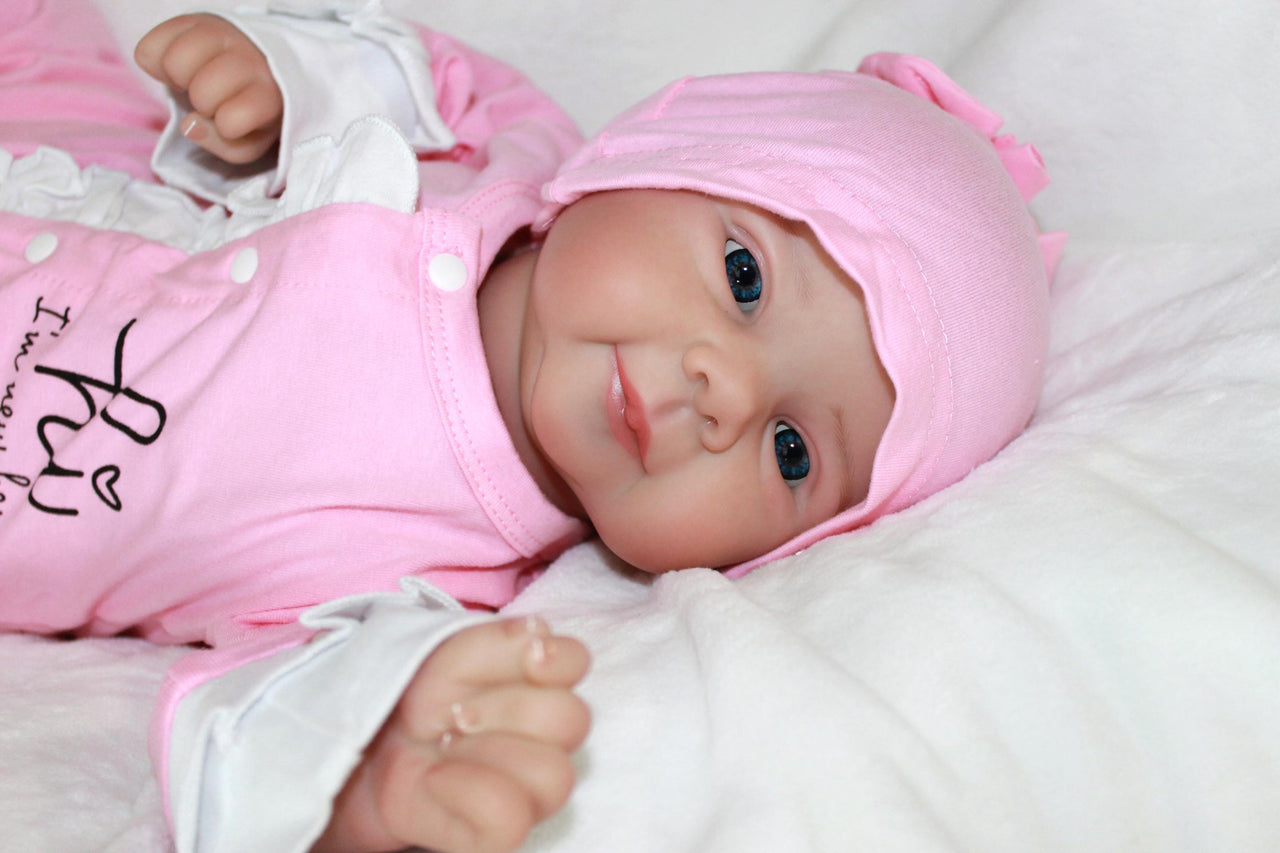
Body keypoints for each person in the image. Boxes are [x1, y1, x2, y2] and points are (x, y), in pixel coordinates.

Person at [0, 2, 1062, 852]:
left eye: (791, 450)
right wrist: (279, 84)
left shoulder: (427, 566)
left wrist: (366, 776)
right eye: (742, 277)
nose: (724, 391)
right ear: (642, 156)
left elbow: (283, 700)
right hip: (61, 117)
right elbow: (416, 75)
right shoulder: (512, 145)